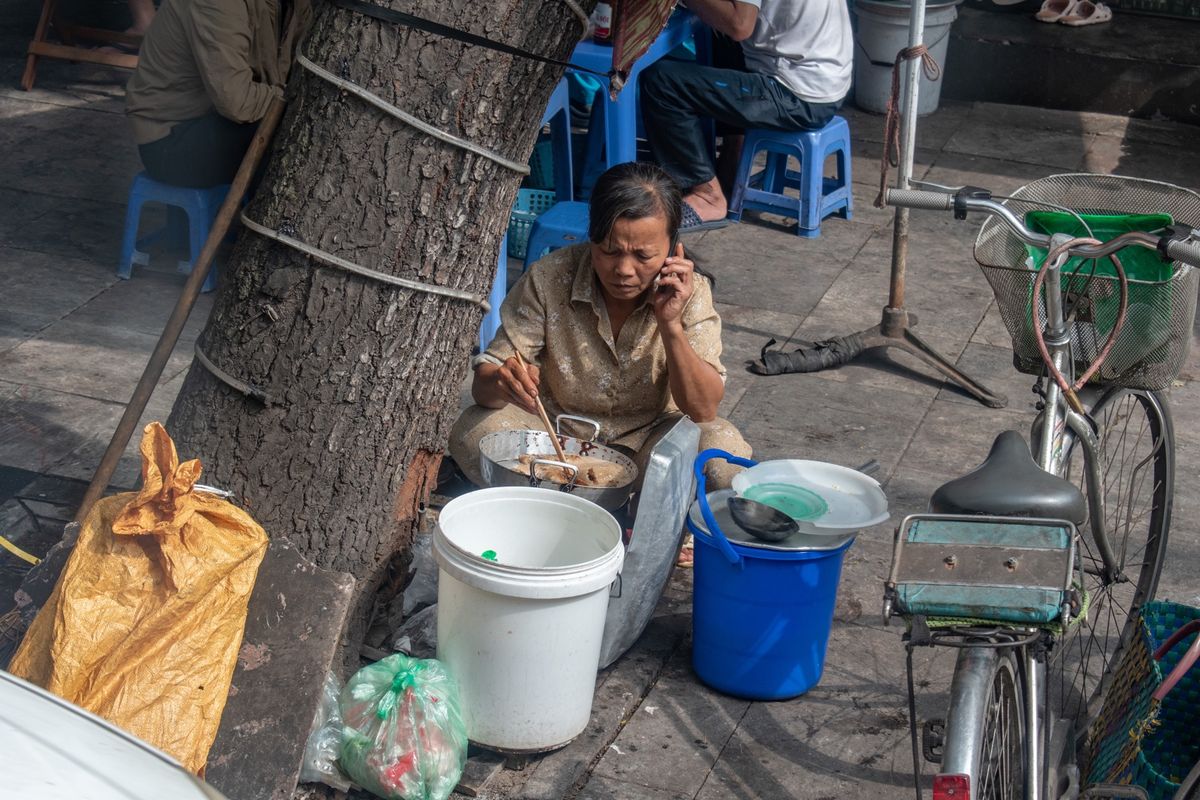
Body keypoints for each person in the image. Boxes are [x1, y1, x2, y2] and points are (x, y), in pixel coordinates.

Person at [448, 162, 753, 492]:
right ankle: (555, 505)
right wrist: (501, 381)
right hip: (555, 445)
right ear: (591, 237)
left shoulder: (691, 291)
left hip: (651, 449)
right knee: (474, 430)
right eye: (609, 251)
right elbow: (484, 391)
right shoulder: (550, 278)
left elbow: (704, 409)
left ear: (671, 246)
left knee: (723, 453)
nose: (623, 269)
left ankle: (618, 510)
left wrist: (671, 326)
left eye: (643, 255)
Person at [640, 0, 853, 230]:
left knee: (662, 83)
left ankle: (707, 196)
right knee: (721, 38)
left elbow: (740, 24)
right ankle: (732, 161)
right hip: (826, 80)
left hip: (795, 93)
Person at [124, 0, 310, 189]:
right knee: (291, 139)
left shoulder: (294, 5)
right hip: (171, 138)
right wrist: (295, 100)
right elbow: (237, 103)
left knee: (297, 129)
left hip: (219, 117)